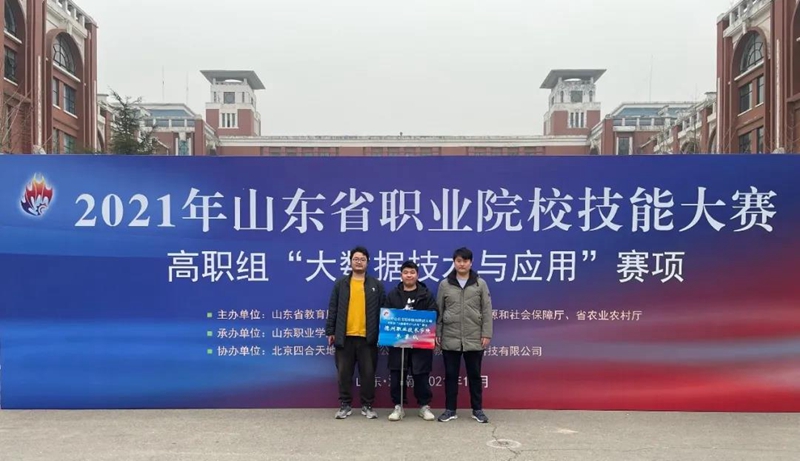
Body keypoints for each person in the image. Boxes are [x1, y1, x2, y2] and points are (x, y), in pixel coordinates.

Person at [325, 246, 386, 420]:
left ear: (368, 262)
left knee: (368, 374)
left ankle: (367, 405)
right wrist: (330, 331)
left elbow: (384, 310)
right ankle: (345, 405)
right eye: (356, 259)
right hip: (345, 337)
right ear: (350, 261)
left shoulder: (376, 285)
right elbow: (333, 308)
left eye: (362, 259)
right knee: (344, 374)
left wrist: (382, 333)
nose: (359, 262)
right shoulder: (341, 284)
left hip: (368, 338)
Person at [435, 247, 493, 424]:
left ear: (471, 263)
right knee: (451, 375)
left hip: (474, 336)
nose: (462, 264)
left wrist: (486, 333)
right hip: (450, 336)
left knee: (474, 375)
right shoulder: (445, 284)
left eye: (465, 261)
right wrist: (437, 333)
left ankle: (477, 410)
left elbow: (487, 310)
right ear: (454, 262)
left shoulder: (480, 284)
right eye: (459, 261)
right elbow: (439, 310)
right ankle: (450, 410)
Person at [385, 261, 438, 422]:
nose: (409, 275)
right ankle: (398, 406)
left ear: (417, 275)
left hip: (420, 342)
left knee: (421, 375)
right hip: (398, 342)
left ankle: (424, 406)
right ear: (401, 275)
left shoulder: (426, 294)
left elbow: (434, 313)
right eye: (406, 272)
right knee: (397, 374)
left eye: (412, 272)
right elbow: (386, 315)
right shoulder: (393, 295)